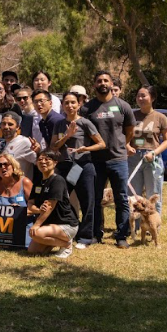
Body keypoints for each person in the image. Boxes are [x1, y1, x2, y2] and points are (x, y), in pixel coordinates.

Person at [82, 71, 136, 248]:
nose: (102, 83)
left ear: (112, 83)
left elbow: (130, 131)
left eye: (106, 80)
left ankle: (121, 236)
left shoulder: (123, 106)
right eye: (99, 81)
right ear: (94, 85)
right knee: (95, 199)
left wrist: (121, 145)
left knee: (121, 198)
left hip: (118, 159)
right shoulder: (87, 109)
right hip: (95, 161)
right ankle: (96, 234)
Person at [50, 91, 105, 248]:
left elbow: (101, 144)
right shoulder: (59, 124)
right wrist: (67, 136)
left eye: (73, 102)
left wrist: (85, 148)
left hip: (82, 166)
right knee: (63, 199)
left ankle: (86, 237)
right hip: (65, 167)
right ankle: (69, 230)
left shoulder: (85, 123)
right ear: (62, 105)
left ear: (79, 104)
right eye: (66, 103)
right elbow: (53, 146)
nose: (70, 105)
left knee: (87, 201)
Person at [27, 150, 80, 258]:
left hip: (66, 224)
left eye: (47, 159)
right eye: (40, 159)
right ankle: (58, 242)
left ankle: (67, 244)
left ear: (55, 163)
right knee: (33, 250)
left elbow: (50, 206)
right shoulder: (38, 181)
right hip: (50, 224)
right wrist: (38, 210)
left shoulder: (57, 180)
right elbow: (30, 204)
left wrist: (37, 225)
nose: (43, 162)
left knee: (36, 233)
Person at [128, 85, 167, 215]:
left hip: (152, 159)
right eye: (138, 96)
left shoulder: (160, 117)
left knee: (154, 194)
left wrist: (154, 152)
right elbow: (124, 136)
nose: (140, 98)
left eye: (144, 95)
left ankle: (154, 224)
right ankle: (134, 226)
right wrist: (127, 146)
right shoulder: (131, 116)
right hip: (134, 158)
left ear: (152, 98)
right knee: (133, 194)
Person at [0, 112, 39, 180]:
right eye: (3, 124)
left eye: (10, 124)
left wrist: (38, 152)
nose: (6, 127)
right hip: (2, 187)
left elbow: (38, 163)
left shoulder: (25, 142)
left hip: (20, 187)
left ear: (17, 127)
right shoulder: (0, 145)